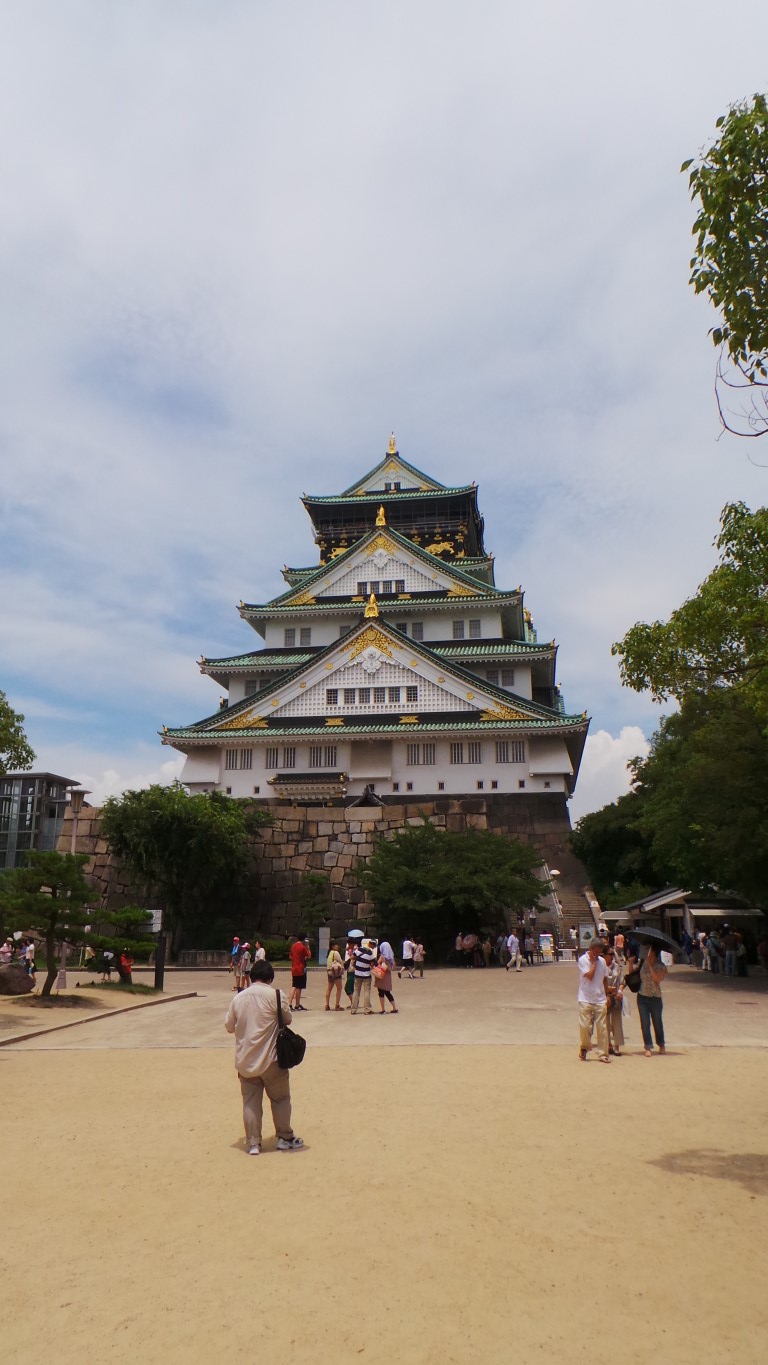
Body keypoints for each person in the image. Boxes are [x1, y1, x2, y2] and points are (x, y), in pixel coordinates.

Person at [224, 959, 304, 1156]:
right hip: (272, 1059)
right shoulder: (276, 995)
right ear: (270, 978)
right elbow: (288, 1019)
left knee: (250, 1102)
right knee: (281, 1099)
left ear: (252, 977)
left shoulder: (238, 998)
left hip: (246, 1060)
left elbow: (228, 1027)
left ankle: (253, 1142)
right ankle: (284, 1138)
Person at [577, 938, 611, 1063]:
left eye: (599, 953)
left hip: (600, 998)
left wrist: (607, 995)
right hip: (585, 997)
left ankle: (603, 1053)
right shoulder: (582, 960)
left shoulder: (602, 961)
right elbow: (590, 976)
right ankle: (585, 1046)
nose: (597, 955)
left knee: (602, 1027)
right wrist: (594, 963)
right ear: (591, 949)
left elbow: (605, 978)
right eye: (595, 952)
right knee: (585, 1026)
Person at [633, 944, 668, 1056]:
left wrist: (650, 964)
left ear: (654, 953)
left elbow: (657, 979)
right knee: (645, 1022)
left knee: (657, 1022)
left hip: (655, 998)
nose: (647, 952)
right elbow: (633, 974)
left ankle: (661, 1044)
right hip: (642, 997)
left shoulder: (661, 966)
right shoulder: (642, 963)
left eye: (649, 951)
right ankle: (648, 1046)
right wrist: (630, 963)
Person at [604, 946, 625, 1056]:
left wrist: (620, 991)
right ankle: (608, 1044)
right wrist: (607, 991)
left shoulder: (617, 967)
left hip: (616, 996)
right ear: (604, 955)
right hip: (604, 997)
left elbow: (622, 981)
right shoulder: (601, 967)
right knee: (605, 1023)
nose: (612, 956)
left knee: (617, 1022)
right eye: (610, 954)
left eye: (613, 954)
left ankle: (617, 1046)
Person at [351, 937, 377, 1015]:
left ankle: (353, 1009)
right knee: (366, 991)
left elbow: (352, 957)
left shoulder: (359, 949)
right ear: (372, 945)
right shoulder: (370, 954)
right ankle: (367, 1009)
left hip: (357, 973)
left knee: (356, 991)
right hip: (366, 975)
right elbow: (372, 965)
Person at [289, 934, 311, 1010]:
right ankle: (291, 1003)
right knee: (297, 987)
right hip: (300, 968)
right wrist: (307, 946)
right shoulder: (303, 947)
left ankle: (296, 1004)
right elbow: (309, 955)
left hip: (294, 967)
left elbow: (290, 956)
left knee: (295, 985)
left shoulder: (293, 946)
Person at [373, 948, 398, 1014]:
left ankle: (383, 1009)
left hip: (381, 976)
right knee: (388, 993)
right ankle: (395, 1008)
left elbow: (376, 964)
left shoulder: (382, 956)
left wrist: (382, 962)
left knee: (381, 993)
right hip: (388, 977)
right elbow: (393, 967)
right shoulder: (391, 957)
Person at [325, 942, 345, 1010]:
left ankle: (327, 1005)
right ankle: (337, 1005)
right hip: (336, 972)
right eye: (336, 945)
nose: (337, 946)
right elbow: (340, 961)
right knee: (339, 988)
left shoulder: (330, 953)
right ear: (332, 946)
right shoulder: (336, 953)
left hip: (329, 971)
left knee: (329, 989)